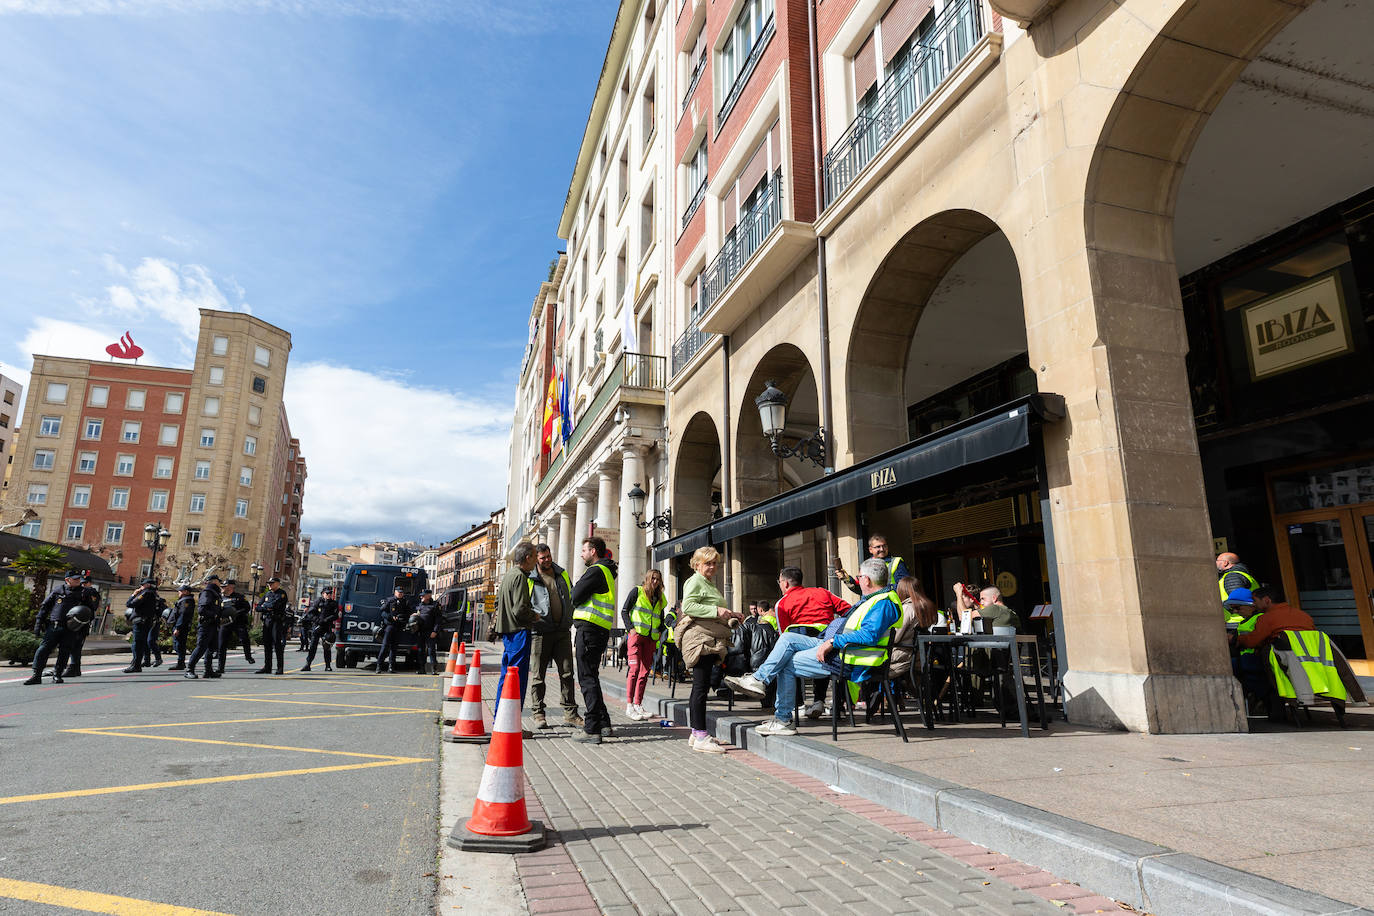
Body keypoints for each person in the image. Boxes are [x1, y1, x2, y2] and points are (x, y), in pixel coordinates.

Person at [726, 557, 901, 736]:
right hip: (838, 644)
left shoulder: (883, 602)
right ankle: (759, 680)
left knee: (785, 663)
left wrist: (833, 641)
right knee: (787, 638)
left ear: (867, 580)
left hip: (848, 656)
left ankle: (783, 719)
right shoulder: (873, 599)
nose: (857, 579)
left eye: (859, 576)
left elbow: (869, 635)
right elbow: (849, 615)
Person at [677, 546, 743, 754]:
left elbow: (711, 610)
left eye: (715, 563)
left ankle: (696, 733)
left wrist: (730, 613)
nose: (713, 567)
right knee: (700, 687)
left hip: (707, 638)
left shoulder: (706, 583)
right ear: (697, 564)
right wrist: (717, 610)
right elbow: (688, 606)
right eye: (708, 563)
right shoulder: (695, 581)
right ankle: (700, 735)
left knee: (701, 686)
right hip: (700, 639)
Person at [772, 566, 851, 719]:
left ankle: (796, 706)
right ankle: (823, 701)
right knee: (828, 658)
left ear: (786, 583)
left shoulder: (782, 603)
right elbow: (848, 610)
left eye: (780, 582)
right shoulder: (823, 592)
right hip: (830, 645)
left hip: (802, 645)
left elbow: (784, 636)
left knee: (786, 660)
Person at [570, 537, 618, 745]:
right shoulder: (606, 571)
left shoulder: (596, 571)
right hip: (598, 630)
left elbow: (575, 596)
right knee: (593, 677)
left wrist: (577, 587)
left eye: (584, 550)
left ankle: (591, 729)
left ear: (594, 551)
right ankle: (603, 723)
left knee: (587, 678)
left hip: (589, 629)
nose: (581, 554)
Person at [529, 544, 582, 730]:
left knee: (567, 673)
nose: (547, 560)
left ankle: (570, 714)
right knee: (538, 676)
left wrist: (570, 617)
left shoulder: (562, 573)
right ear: (536, 558)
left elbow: (571, 595)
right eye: (542, 558)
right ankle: (538, 713)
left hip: (562, 631)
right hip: (540, 633)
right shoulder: (530, 577)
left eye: (548, 556)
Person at [495, 542, 542, 718]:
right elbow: (519, 609)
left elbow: (499, 604)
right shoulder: (521, 577)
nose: (537, 560)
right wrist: (535, 615)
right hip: (519, 632)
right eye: (535, 556)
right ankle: (511, 722)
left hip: (508, 632)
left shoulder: (508, 575)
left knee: (506, 678)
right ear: (528, 557)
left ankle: (500, 719)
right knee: (517, 680)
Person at [24, 569, 91, 685]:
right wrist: (38, 623)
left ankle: (58, 674)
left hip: (71, 628)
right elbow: (45, 607)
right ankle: (36, 675)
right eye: (75, 579)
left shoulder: (84, 593)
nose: (78, 580)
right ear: (67, 580)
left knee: (64, 652)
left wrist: (84, 628)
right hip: (55, 626)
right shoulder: (58, 590)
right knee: (43, 649)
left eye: (78, 578)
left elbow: (89, 612)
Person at [621, 569, 666, 721]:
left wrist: (660, 632)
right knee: (634, 669)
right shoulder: (637, 591)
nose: (655, 581)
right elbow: (624, 610)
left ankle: (638, 704)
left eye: (658, 579)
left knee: (645, 671)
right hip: (636, 636)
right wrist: (631, 629)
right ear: (647, 578)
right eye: (653, 578)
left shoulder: (660, 598)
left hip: (651, 639)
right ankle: (629, 706)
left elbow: (661, 617)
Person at [833, 534, 910, 597]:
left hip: (890, 606)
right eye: (878, 547)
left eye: (884, 546)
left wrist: (879, 590)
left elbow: (904, 588)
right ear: (870, 550)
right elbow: (862, 590)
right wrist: (847, 580)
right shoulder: (866, 565)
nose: (882, 549)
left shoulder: (897, 562)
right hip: (873, 606)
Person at [57, 572, 101, 678]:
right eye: (82, 582)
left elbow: (93, 607)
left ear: (90, 583)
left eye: (85, 583)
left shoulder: (91, 593)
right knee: (74, 645)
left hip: (82, 622)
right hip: (74, 621)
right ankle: (75, 667)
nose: (83, 584)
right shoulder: (78, 591)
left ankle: (73, 667)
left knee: (76, 645)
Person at [186, 575, 224, 679]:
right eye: (218, 581)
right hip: (206, 624)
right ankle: (189, 670)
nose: (220, 584)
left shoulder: (216, 594)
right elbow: (202, 610)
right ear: (214, 582)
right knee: (201, 647)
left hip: (213, 624)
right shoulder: (208, 592)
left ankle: (208, 670)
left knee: (210, 649)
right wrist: (214, 615)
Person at [216, 580, 255, 675]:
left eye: (224, 586)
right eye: (222, 587)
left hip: (238, 622)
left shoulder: (240, 597)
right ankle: (220, 667)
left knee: (244, 639)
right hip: (225, 623)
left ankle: (248, 656)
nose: (222, 588)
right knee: (221, 645)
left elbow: (247, 608)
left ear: (230, 587)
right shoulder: (219, 597)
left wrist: (235, 612)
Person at [124, 578, 161, 673]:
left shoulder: (146, 593)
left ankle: (136, 665)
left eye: (143, 585)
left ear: (148, 585)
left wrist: (133, 595)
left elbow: (130, 604)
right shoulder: (155, 595)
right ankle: (136, 664)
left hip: (141, 621)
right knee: (141, 643)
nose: (141, 587)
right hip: (147, 622)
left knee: (137, 644)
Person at [255, 577, 290, 675]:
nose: (269, 585)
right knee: (267, 645)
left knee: (277, 645)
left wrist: (265, 606)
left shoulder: (281, 594)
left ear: (278, 584)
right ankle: (267, 667)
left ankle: (280, 668)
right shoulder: (267, 594)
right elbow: (258, 607)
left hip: (276, 621)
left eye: (272, 583)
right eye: (269, 583)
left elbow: (275, 605)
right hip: (267, 621)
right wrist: (266, 607)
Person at [301, 586, 340, 672]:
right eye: (327, 593)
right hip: (317, 627)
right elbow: (310, 613)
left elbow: (336, 615)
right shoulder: (317, 601)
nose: (329, 595)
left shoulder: (334, 603)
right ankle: (308, 664)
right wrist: (318, 620)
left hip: (327, 627)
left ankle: (328, 665)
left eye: (330, 593)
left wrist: (326, 620)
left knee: (327, 647)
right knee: (312, 647)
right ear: (323, 594)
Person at [373, 585, 409, 673]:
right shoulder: (390, 600)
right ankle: (379, 666)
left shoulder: (405, 602)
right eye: (399, 592)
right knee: (385, 646)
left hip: (399, 627)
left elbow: (408, 613)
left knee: (394, 648)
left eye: (401, 592)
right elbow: (382, 611)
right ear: (395, 592)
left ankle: (391, 667)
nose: (400, 594)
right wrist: (390, 617)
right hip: (389, 627)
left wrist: (402, 617)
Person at [167, 584, 196, 670]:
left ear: (186, 592)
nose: (178, 592)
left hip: (181, 626)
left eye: (180, 591)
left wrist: (178, 628)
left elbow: (183, 615)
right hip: (179, 625)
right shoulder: (183, 600)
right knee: (177, 644)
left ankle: (181, 662)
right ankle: (181, 662)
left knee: (179, 644)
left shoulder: (186, 601)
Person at [413, 588, 441, 675]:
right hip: (420, 631)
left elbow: (438, 620)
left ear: (429, 595)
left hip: (430, 632)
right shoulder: (419, 605)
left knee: (431, 650)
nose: (421, 596)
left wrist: (435, 631)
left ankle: (434, 669)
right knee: (421, 650)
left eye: (423, 595)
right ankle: (422, 669)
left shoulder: (435, 605)